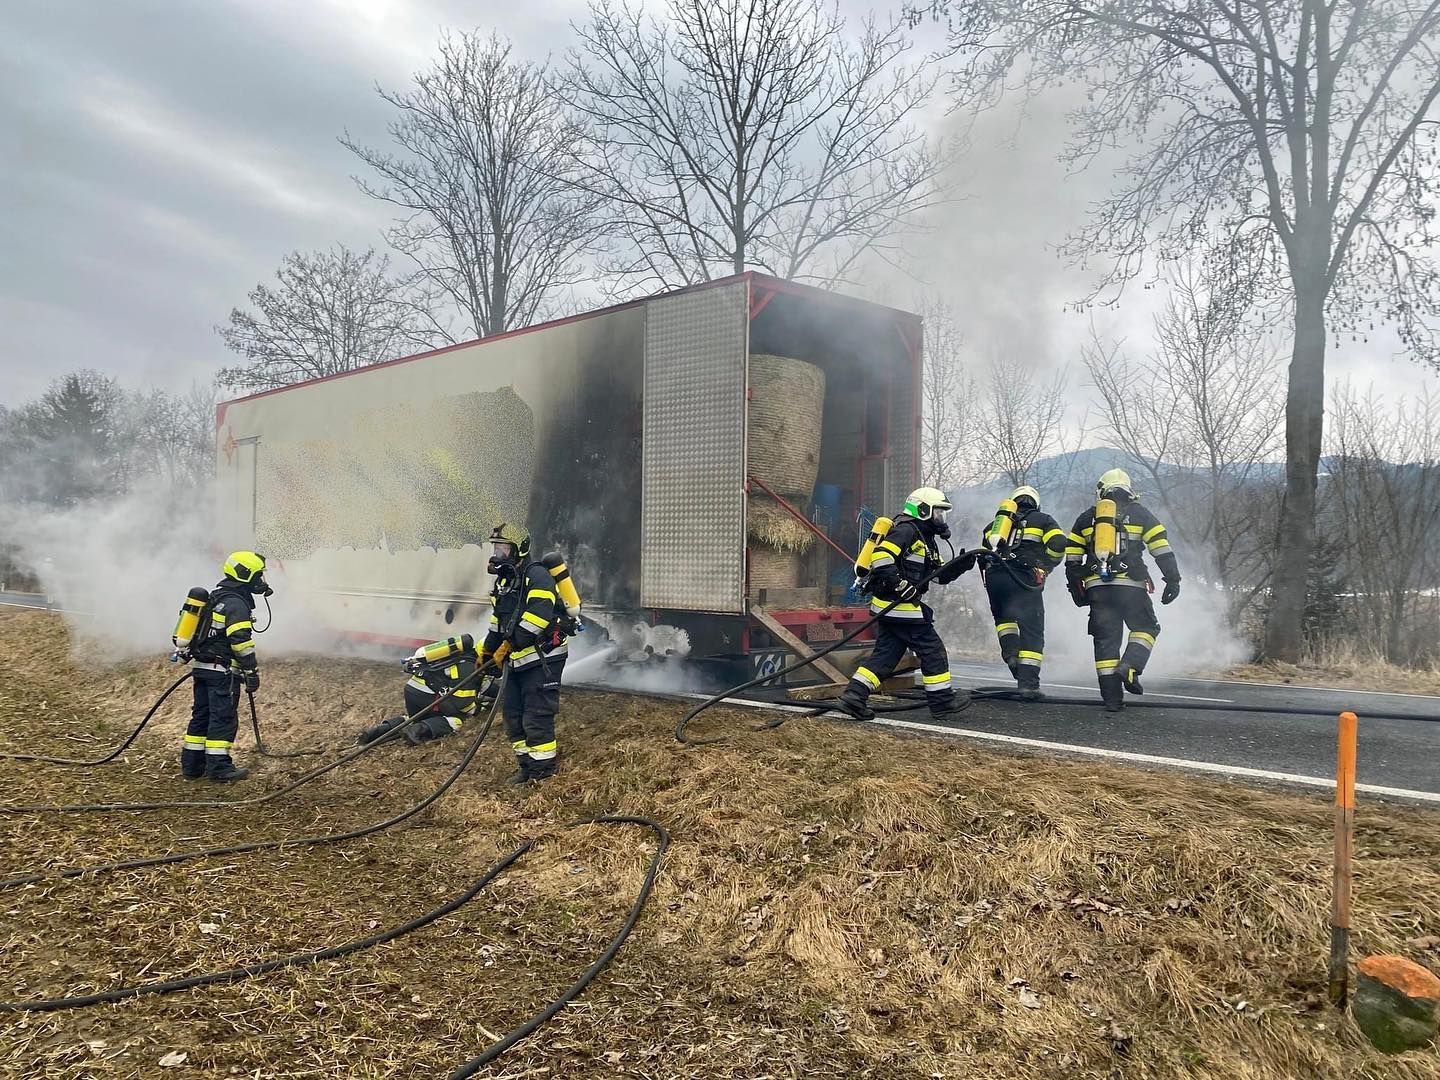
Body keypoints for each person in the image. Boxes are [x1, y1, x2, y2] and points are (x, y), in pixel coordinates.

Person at [837, 487, 975, 722]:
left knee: (885, 658)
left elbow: (938, 576)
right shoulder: (906, 530)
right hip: (900, 607)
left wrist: (961, 564)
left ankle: (854, 696)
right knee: (933, 651)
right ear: (923, 510)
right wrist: (901, 585)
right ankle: (942, 702)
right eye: (938, 513)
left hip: (890, 609)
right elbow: (880, 557)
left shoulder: (926, 539)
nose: (941, 519)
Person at [1064, 469, 1182, 712]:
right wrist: (1172, 580)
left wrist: (1077, 590)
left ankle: (1112, 699)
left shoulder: (1087, 518)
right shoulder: (1141, 514)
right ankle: (1130, 666)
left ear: (1101, 491)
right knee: (1146, 628)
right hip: (1131, 587)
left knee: (1106, 641)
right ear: (1128, 489)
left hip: (1098, 588)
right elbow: (1161, 548)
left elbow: (1072, 559)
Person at [481, 523, 572, 784]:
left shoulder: (538, 576)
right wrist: (487, 653)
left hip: (542, 659)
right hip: (518, 660)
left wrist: (510, 645)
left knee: (536, 715)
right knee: (512, 715)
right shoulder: (506, 581)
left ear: (519, 548)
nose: (497, 553)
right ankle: (526, 767)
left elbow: (537, 618)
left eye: (502, 547)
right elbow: (498, 623)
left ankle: (541, 773)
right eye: (495, 547)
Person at [181, 551, 272, 782]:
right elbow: (240, 641)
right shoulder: (236, 604)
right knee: (222, 719)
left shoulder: (216, 597)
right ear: (245, 576)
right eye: (258, 576)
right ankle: (219, 769)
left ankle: (192, 766)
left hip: (202, 668)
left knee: (201, 716)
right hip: (222, 673)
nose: (261, 581)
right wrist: (251, 671)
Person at [979, 485, 1069, 701]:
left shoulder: (995, 525)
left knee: (1004, 619)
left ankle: (1011, 656)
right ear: (1035, 503)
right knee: (1032, 630)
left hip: (996, 579)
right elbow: (1059, 543)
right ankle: (1028, 686)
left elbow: (983, 554)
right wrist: (1045, 565)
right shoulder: (1043, 520)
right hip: (1023, 578)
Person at [356, 634, 484, 748]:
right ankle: (416, 731)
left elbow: (486, 686)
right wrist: (477, 708)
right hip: (428, 695)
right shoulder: (469, 668)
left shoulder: (462, 656)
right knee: (458, 720)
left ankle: (375, 732)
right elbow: (461, 704)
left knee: (413, 718)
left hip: (413, 689)